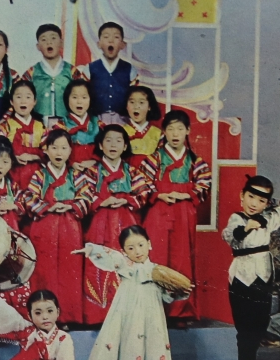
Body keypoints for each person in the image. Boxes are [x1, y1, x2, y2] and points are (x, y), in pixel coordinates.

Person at [77, 227, 191, 360]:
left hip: (150, 317)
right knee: (128, 348)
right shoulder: (124, 264)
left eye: (141, 245)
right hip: (127, 315)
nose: (137, 251)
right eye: (130, 248)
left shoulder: (158, 272)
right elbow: (110, 256)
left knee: (148, 349)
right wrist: (91, 249)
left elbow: (167, 296)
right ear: (124, 251)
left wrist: (179, 291)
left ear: (149, 244)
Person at [221, 165, 280, 360]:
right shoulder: (236, 218)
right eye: (251, 197)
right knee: (245, 330)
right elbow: (229, 236)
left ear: (266, 203)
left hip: (263, 278)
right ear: (242, 195)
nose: (254, 204)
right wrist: (246, 227)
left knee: (257, 329)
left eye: (261, 200)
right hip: (241, 279)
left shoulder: (268, 218)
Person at [142, 109, 211, 321]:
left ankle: (181, 311)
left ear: (188, 131)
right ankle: (154, 310)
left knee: (182, 258)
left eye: (180, 129)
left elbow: (204, 185)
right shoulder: (154, 159)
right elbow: (142, 183)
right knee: (157, 256)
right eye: (170, 129)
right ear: (164, 131)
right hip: (158, 211)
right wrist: (160, 195)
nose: (175, 133)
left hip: (183, 213)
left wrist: (185, 194)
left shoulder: (195, 160)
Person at [22, 129, 93, 325]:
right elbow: (29, 198)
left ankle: (68, 316)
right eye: (54, 148)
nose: (58, 152)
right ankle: (43, 318)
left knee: (70, 270)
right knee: (45, 271)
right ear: (46, 150)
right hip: (45, 226)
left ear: (70, 151)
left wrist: (70, 206)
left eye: (63, 148)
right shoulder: (40, 175)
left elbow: (87, 197)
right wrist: (48, 207)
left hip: (70, 226)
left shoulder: (76, 175)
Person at [82, 125, 149, 325]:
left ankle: (128, 313)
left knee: (127, 261)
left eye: (119, 141)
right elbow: (83, 194)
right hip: (100, 223)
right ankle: (99, 314)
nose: (113, 145)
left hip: (125, 221)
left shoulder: (132, 171)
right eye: (108, 140)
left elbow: (144, 193)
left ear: (125, 145)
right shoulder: (92, 171)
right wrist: (102, 202)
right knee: (100, 262)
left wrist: (126, 199)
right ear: (100, 145)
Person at [74, 22, 138, 122]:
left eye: (116, 37)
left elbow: (135, 97)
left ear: (123, 44)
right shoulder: (89, 69)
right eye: (106, 37)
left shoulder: (130, 70)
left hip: (123, 120)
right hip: (96, 120)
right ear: (99, 44)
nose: (111, 40)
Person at [0, 79, 45, 188]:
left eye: (28, 97)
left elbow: (48, 153)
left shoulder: (41, 127)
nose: (23, 101)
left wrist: (33, 157)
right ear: (12, 102)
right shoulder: (5, 126)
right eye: (18, 97)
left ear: (34, 101)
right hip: (13, 176)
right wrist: (13, 158)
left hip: (37, 177)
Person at [23, 24, 74, 122]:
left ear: (61, 43)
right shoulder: (31, 73)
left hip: (68, 124)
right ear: (38, 46)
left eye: (53, 38)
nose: (49, 42)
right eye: (43, 39)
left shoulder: (72, 71)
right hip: (38, 124)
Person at [62, 78, 100, 170]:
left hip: (94, 170)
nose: (79, 101)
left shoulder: (97, 123)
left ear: (90, 99)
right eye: (74, 97)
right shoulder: (61, 125)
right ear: (67, 99)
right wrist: (71, 163)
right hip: (70, 170)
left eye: (84, 97)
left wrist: (94, 160)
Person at [122, 86, 162, 167]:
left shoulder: (158, 133)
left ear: (149, 107)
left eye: (141, 102)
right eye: (132, 102)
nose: (136, 106)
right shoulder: (121, 132)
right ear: (126, 106)